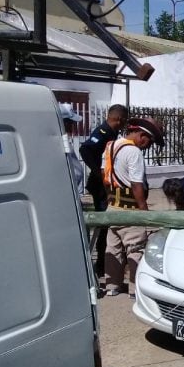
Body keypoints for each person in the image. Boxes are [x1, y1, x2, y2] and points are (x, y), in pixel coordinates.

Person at [102, 117, 164, 298]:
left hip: (113, 206)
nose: (148, 145)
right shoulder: (134, 152)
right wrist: (144, 213)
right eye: (150, 141)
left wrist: (111, 198)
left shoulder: (110, 146)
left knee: (112, 247)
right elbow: (137, 185)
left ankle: (112, 285)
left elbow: (103, 174)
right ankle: (134, 289)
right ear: (142, 135)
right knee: (135, 248)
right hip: (131, 209)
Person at [79, 104, 128, 276]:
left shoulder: (112, 133)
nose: (124, 125)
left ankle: (104, 262)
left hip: (105, 184)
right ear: (119, 119)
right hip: (99, 186)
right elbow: (84, 149)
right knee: (104, 224)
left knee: (107, 224)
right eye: (124, 121)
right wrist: (97, 171)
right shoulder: (103, 132)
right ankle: (100, 265)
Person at [58, 103, 84, 194]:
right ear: (63, 122)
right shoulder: (60, 143)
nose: (73, 125)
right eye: (71, 122)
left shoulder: (63, 140)